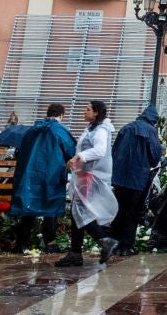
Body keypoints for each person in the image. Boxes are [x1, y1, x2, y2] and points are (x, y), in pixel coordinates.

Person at [58, 100, 118, 268]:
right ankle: (76, 253)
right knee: (77, 212)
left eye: (88, 109)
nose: (84, 111)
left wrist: (79, 157)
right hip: (84, 174)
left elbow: (100, 150)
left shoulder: (100, 130)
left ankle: (104, 241)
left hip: (90, 177)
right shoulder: (93, 128)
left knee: (79, 211)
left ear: (97, 112)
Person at [9, 103, 74, 253]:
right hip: (51, 175)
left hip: (30, 175)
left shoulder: (32, 129)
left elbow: (20, 152)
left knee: (28, 207)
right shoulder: (60, 130)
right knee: (50, 209)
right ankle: (50, 244)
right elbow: (71, 150)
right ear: (61, 115)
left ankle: (21, 243)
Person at [108, 104, 163, 257]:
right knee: (133, 212)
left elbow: (114, 151)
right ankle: (126, 246)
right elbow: (154, 157)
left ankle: (112, 243)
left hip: (120, 177)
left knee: (119, 210)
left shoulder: (126, 128)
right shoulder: (150, 130)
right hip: (137, 178)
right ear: (154, 121)